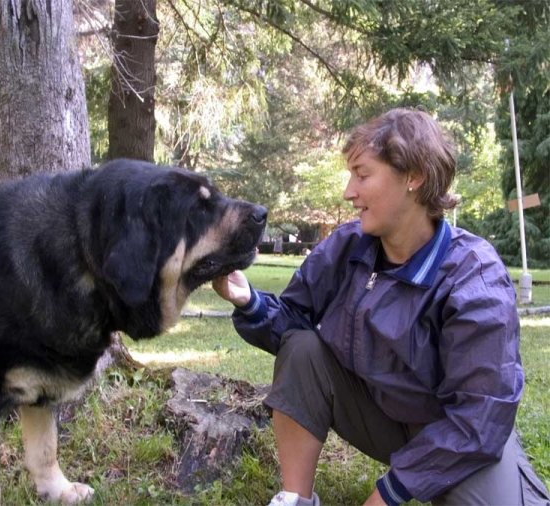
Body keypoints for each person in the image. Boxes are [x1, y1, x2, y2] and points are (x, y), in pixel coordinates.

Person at [212, 108, 550, 506]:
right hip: (380, 417)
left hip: (459, 433)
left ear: (413, 177)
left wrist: (388, 493)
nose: (348, 191)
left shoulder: (475, 275)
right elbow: (293, 328)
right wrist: (248, 301)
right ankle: (294, 499)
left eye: (363, 174)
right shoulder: (346, 246)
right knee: (302, 348)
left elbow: (481, 416)